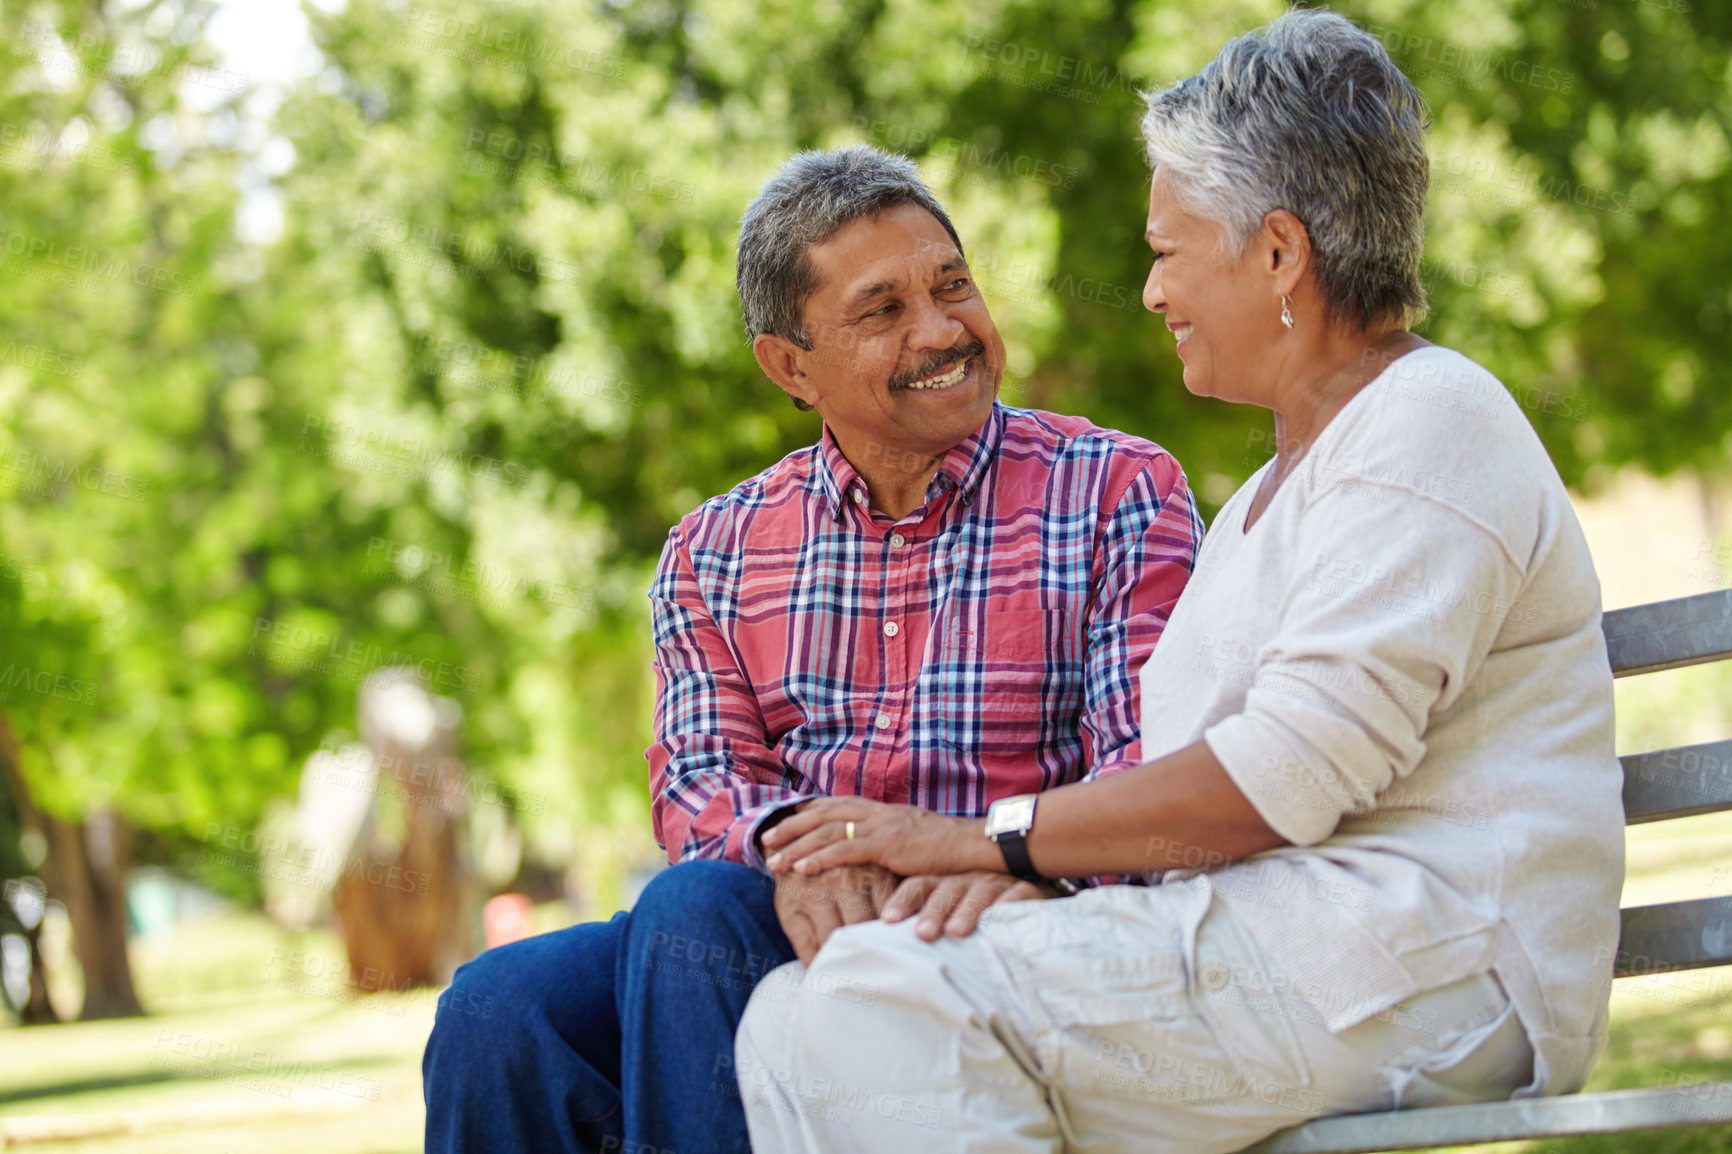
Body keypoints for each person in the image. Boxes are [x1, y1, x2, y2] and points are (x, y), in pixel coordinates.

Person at [738, 11, 1626, 1152]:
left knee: (876, 1000)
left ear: (1276, 253)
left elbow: (1282, 778)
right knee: (782, 1019)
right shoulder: (1261, 501)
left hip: (1423, 961)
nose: (1151, 293)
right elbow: (1186, 799)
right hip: (1280, 940)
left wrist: (988, 841)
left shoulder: (1430, 423)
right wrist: (1042, 894)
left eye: (1167, 251)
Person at [421, 145, 1204, 1153]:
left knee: (691, 913)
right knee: (496, 1008)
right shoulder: (714, 549)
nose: (940, 330)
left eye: (951, 285)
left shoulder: (1113, 488)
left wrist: (1011, 854)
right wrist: (805, 853)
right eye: (881, 310)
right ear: (790, 364)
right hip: (778, 909)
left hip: (996, 905)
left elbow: (1144, 756)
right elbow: (700, 786)